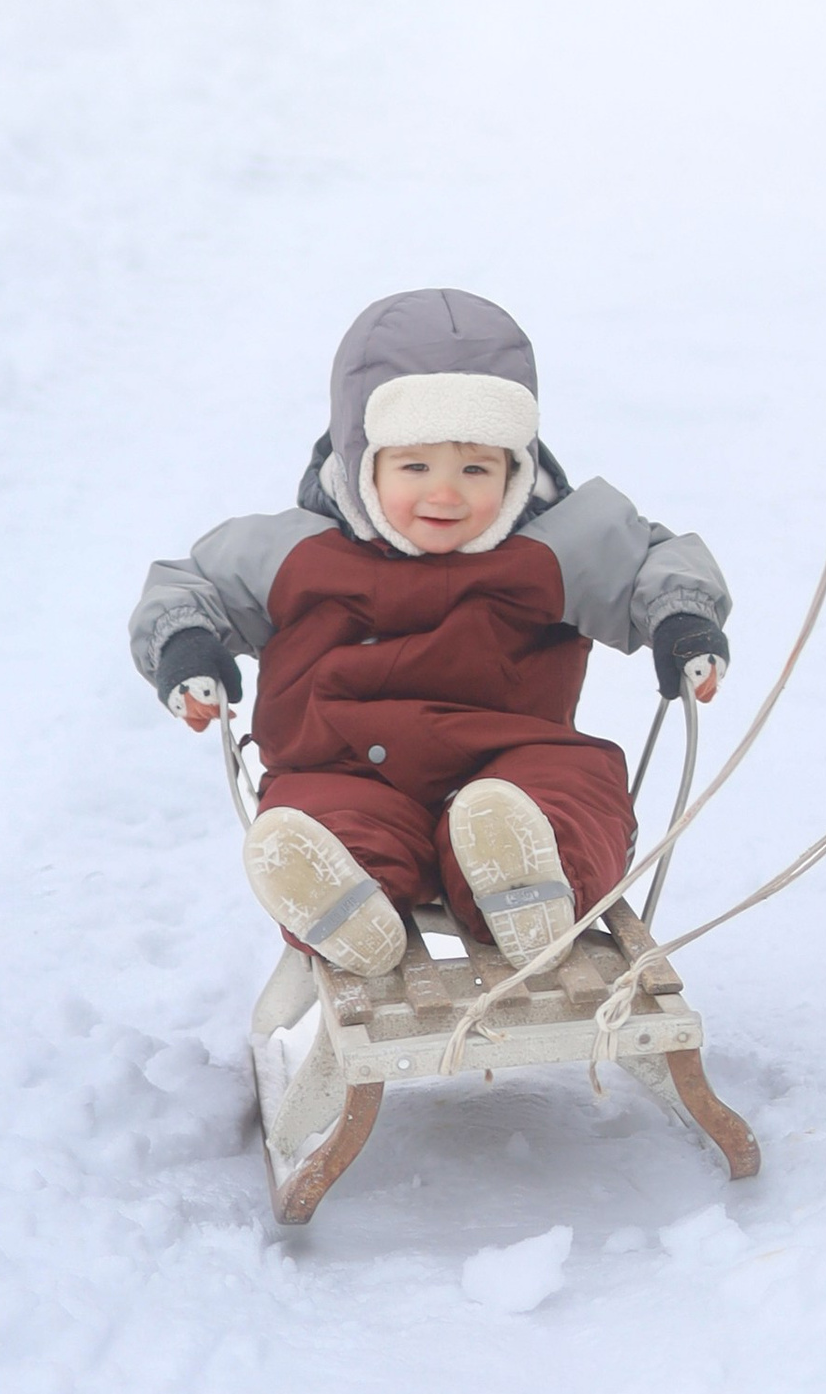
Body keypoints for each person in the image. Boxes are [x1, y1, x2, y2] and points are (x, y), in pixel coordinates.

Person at [130, 287, 730, 979]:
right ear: (363, 459)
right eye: (415, 467)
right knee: (320, 820)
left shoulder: (557, 546)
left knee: (573, 789)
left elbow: (651, 561)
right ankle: (343, 901)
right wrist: (186, 645)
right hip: (343, 765)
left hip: (512, 759)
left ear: (517, 466)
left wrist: (683, 620)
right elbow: (195, 585)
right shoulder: (294, 551)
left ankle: (531, 884)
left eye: (476, 469)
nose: (445, 495)